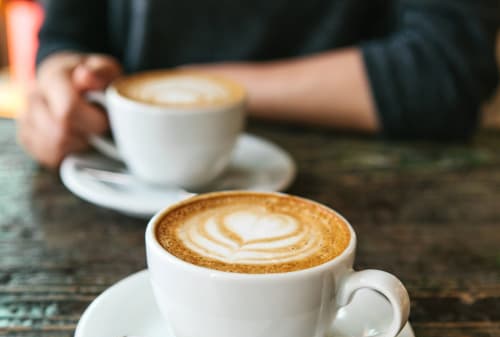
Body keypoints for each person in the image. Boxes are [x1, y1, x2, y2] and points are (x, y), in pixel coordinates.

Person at [18, 0, 500, 169]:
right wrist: (60, 82)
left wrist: (197, 90)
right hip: (122, 181)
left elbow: (446, 70)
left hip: (363, 182)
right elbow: (68, 32)